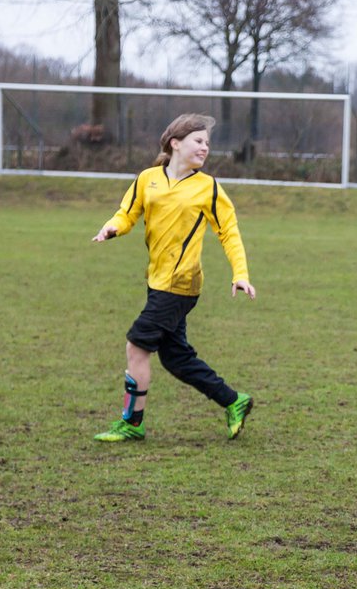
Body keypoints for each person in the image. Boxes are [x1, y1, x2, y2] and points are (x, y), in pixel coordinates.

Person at [90, 113, 256, 442]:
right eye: (198, 141)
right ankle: (234, 401)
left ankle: (132, 423)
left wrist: (241, 273)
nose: (205, 147)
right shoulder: (147, 178)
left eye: (207, 143)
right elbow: (128, 213)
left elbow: (229, 234)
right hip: (156, 281)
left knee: (137, 346)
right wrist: (113, 227)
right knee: (176, 358)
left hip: (181, 285)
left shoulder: (208, 188)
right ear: (175, 143)